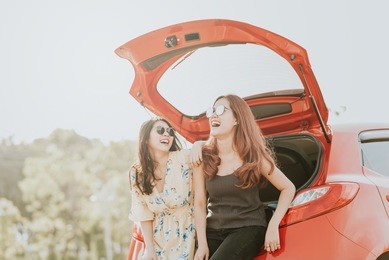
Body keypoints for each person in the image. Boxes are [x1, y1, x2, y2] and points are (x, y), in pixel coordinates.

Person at [193, 94, 296, 260]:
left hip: (247, 227)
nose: (213, 114)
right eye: (212, 110)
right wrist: (202, 243)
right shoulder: (203, 158)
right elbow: (199, 203)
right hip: (213, 230)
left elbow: (288, 187)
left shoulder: (253, 156)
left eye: (220, 110)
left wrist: (273, 224)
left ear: (237, 120)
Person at [129, 118, 198, 260]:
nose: (167, 134)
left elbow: (213, 147)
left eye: (170, 131)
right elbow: (143, 214)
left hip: (188, 232)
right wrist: (149, 249)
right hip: (158, 240)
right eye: (160, 130)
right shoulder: (137, 172)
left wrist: (199, 144)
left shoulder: (184, 157)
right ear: (146, 138)